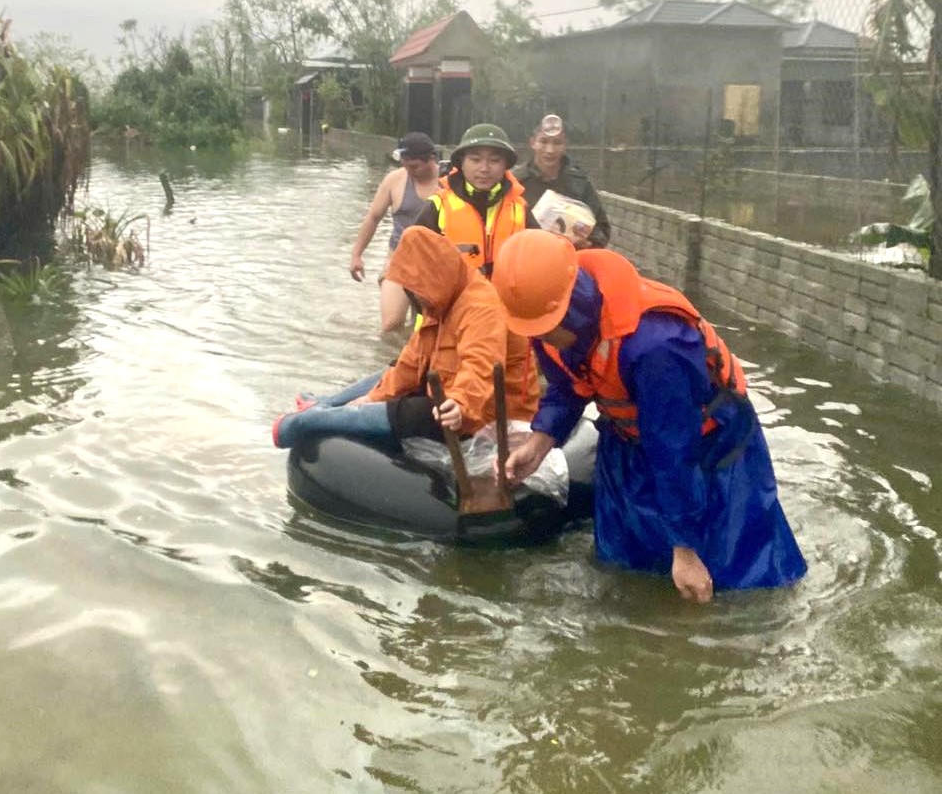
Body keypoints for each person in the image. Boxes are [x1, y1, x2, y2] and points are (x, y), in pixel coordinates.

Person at [491, 230, 807, 602]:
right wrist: (538, 443)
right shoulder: (547, 324)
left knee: (734, 581)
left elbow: (675, 448)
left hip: (709, 449)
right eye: (533, 331)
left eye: (547, 328)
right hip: (627, 442)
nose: (541, 338)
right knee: (626, 564)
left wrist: (686, 549)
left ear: (572, 304)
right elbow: (567, 386)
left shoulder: (656, 344)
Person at [273, 226, 539, 448]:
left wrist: (460, 404)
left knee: (416, 412)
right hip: (451, 394)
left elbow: (480, 368)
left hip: (486, 416)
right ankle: (324, 405)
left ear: (435, 277)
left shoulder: (482, 308)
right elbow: (412, 362)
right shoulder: (445, 299)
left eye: (418, 289)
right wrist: (371, 399)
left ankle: (303, 422)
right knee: (394, 369)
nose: (416, 298)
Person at [413, 123, 541, 279]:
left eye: (494, 161)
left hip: (506, 301)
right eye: (475, 160)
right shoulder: (438, 206)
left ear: (505, 166)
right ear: (461, 163)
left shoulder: (520, 209)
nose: (484, 168)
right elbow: (412, 265)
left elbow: (542, 260)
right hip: (455, 301)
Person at [350, 132, 442, 332]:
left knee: (428, 328)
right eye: (404, 164)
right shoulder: (394, 180)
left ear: (432, 159)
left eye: (414, 166)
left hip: (435, 264)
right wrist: (357, 254)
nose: (408, 170)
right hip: (398, 260)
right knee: (391, 325)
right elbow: (373, 217)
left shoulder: (449, 182)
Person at [511, 114, 611, 249]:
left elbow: (602, 229)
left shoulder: (579, 183)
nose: (550, 150)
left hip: (570, 261)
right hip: (526, 260)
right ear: (533, 143)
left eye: (557, 142)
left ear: (565, 145)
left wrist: (588, 242)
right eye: (544, 141)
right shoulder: (515, 182)